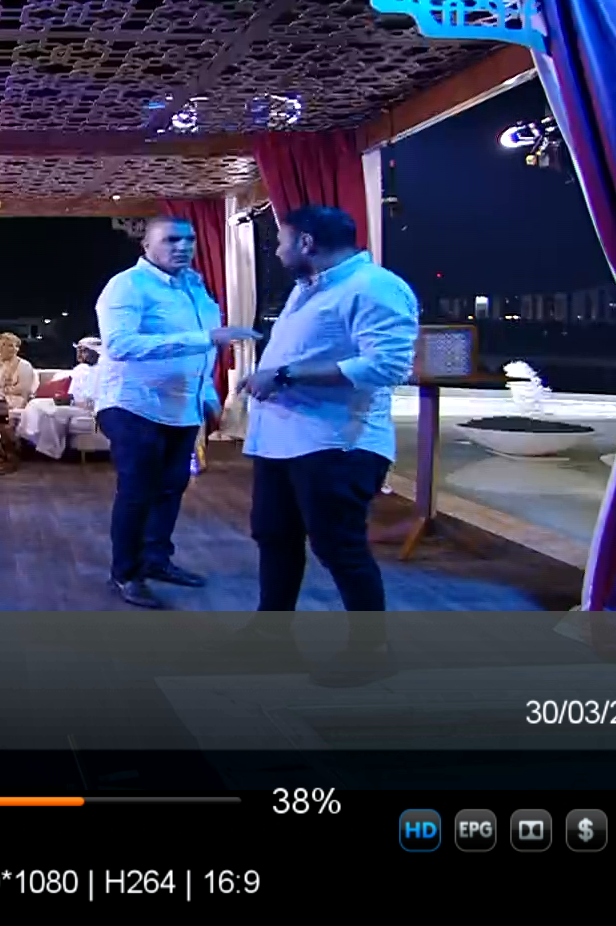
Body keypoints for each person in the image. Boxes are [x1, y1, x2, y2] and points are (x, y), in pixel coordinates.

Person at [240, 205, 419, 685]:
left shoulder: (374, 287)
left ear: (306, 243)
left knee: (340, 548)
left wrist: (285, 374)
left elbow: (387, 366)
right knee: (275, 538)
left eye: (281, 242)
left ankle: (371, 651)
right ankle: (271, 635)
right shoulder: (308, 288)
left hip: (338, 443)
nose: (277, 252)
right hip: (282, 442)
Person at [95, 216, 260, 608]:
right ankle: (126, 573)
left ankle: (156, 560)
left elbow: (203, 353)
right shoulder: (127, 285)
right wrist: (205, 337)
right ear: (146, 246)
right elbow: (120, 345)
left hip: (182, 407)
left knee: (171, 488)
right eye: (171, 240)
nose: (183, 247)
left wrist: (207, 392)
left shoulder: (195, 287)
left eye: (189, 240)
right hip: (134, 404)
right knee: (138, 491)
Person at [17, 337, 102, 459]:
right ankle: (28, 439)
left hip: (89, 408)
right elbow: (73, 394)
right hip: (73, 403)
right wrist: (61, 400)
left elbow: (92, 398)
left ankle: (50, 450)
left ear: (96, 352)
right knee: (35, 404)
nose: (79, 354)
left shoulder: (103, 371)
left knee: (52, 413)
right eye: (78, 350)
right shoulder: (80, 369)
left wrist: (73, 402)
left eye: (84, 351)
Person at [0, 332, 37, 419]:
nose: (13, 349)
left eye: (14, 346)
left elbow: (24, 388)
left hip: (15, 398)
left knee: (0, 403)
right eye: (6, 345)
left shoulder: (24, 365)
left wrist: (2, 393)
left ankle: (1, 424)